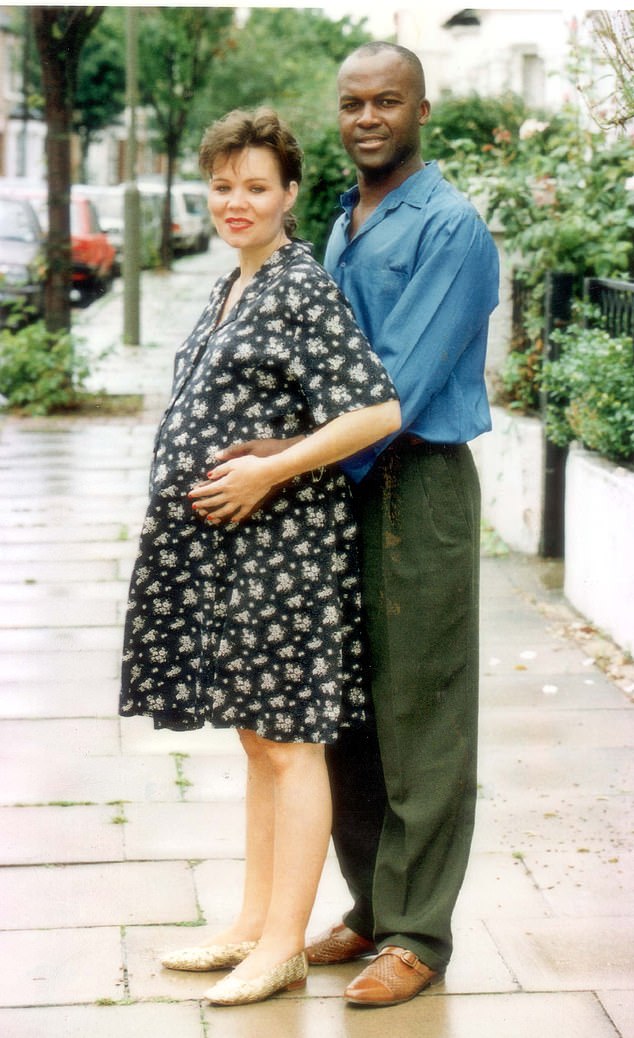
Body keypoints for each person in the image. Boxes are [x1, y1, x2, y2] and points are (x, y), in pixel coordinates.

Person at [215, 43, 500, 1008]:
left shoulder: (451, 227)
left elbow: (397, 391)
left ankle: (419, 935)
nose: (367, 117)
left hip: (413, 486)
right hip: (330, 485)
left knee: (422, 715)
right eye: (352, 103)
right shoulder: (343, 219)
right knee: (343, 713)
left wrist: (282, 460)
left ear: (422, 109)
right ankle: (375, 909)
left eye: (387, 101)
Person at [118, 107, 400, 1008]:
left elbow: (376, 410)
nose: (235, 201)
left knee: (289, 746)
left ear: (288, 194)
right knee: (257, 741)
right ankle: (250, 923)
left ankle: (282, 946)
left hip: (283, 553)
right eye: (222, 186)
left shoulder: (298, 285)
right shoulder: (232, 284)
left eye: (255, 187)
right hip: (230, 556)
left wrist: (268, 470)